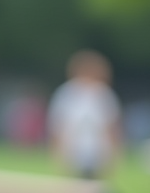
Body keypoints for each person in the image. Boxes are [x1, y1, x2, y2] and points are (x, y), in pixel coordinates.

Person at [47, 50, 122, 178]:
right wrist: (58, 153)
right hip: (73, 150)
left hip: (97, 151)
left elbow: (111, 127)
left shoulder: (104, 94)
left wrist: (113, 155)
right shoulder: (67, 93)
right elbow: (58, 125)